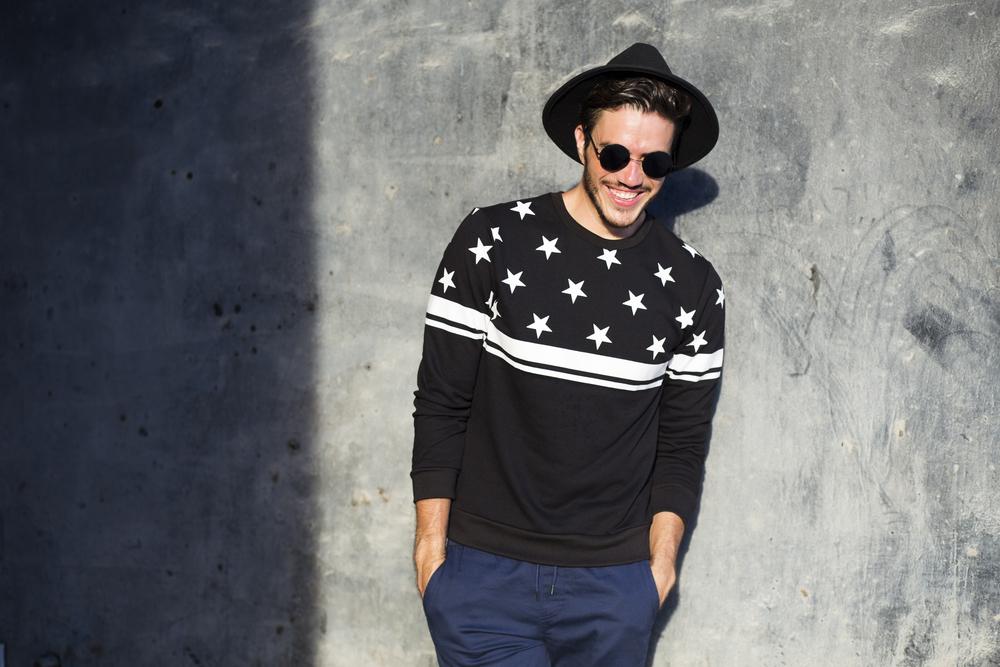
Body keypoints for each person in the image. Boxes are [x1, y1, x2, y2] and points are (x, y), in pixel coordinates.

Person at [410, 42, 725, 666]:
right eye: (614, 154)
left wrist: (657, 570)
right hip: (482, 579)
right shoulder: (492, 240)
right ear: (583, 140)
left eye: (654, 162)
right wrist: (431, 554)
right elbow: (443, 402)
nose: (632, 176)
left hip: (613, 589)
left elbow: (683, 442)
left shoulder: (693, 284)